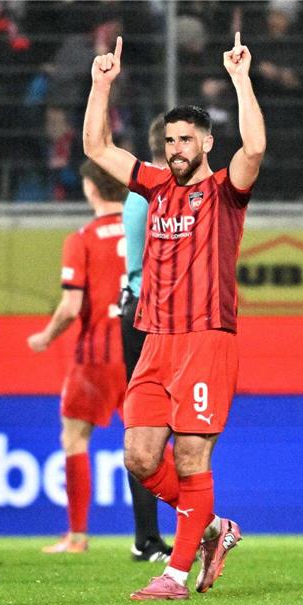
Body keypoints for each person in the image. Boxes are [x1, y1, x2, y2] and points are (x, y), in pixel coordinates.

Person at [82, 32, 265, 600]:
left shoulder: (224, 191)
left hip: (208, 339)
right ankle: (210, 527)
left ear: (207, 141)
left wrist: (240, 79)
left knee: (190, 455)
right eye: (170, 139)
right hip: (157, 341)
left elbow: (254, 150)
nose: (177, 147)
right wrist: (101, 84)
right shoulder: (154, 185)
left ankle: (174, 575)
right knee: (139, 456)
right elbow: (95, 147)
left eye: (187, 138)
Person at [27, 160, 130, 554]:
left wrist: (45, 337)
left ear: (89, 187)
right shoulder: (145, 233)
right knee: (151, 447)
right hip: (141, 351)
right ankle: (200, 523)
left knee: (74, 439)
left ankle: (77, 537)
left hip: (97, 355)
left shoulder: (82, 238)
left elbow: (72, 307)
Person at [120, 113, 173, 564]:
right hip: (149, 315)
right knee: (156, 429)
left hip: (138, 309)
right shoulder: (156, 192)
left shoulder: (141, 193)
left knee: (153, 428)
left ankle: (149, 535)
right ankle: (150, 535)